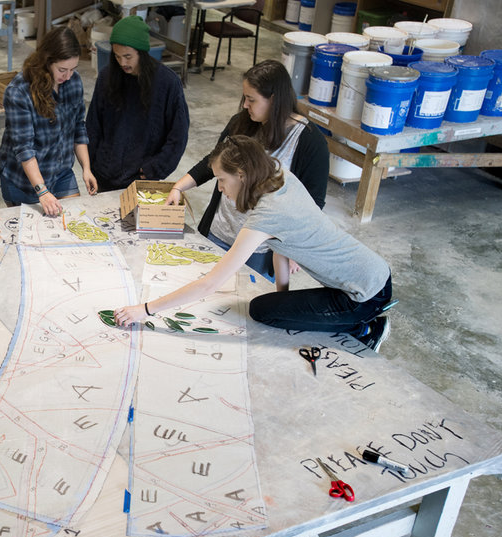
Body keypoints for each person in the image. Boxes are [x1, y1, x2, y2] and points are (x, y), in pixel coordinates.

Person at [115, 136, 393, 351]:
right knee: (274, 307)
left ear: (242, 175)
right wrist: (284, 299)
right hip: (370, 272)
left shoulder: (267, 214)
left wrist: (146, 309)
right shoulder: (277, 174)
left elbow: (210, 283)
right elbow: (282, 247)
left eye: (222, 180)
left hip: (362, 295)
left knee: (262, 312)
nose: (220, 188)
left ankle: (366, 330)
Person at [167, 60, 329, 278]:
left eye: (251, 99)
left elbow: (313, 203)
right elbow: (213, 162)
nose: (245, 105)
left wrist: (295, 249)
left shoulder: (310, 141)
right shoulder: (242, 122)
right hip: (219, 232)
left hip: (261, 249)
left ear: (274, 99)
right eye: (245, 98)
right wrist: (179, 187)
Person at [0, 26, 98, 216]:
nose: (68, 76)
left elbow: (78, 127)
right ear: (47, 61)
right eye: (62, 70)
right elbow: (24, 148)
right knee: (35, 237)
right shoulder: (19, 91)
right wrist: (42, 191)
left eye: (73, 69)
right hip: (25, 180)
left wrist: (86, 168)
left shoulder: (73, 81)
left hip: (61, 172)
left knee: (73, 222)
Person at [86, 15, 189, 191]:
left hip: (142, 178)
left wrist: (155, 168)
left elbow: (178, 135)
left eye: (128, 56)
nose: (123, 63)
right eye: (117, 57)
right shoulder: (107, 77)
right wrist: (92, 164)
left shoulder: (167, 83)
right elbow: (93, 125)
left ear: (142, 52)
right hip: (105, 173)